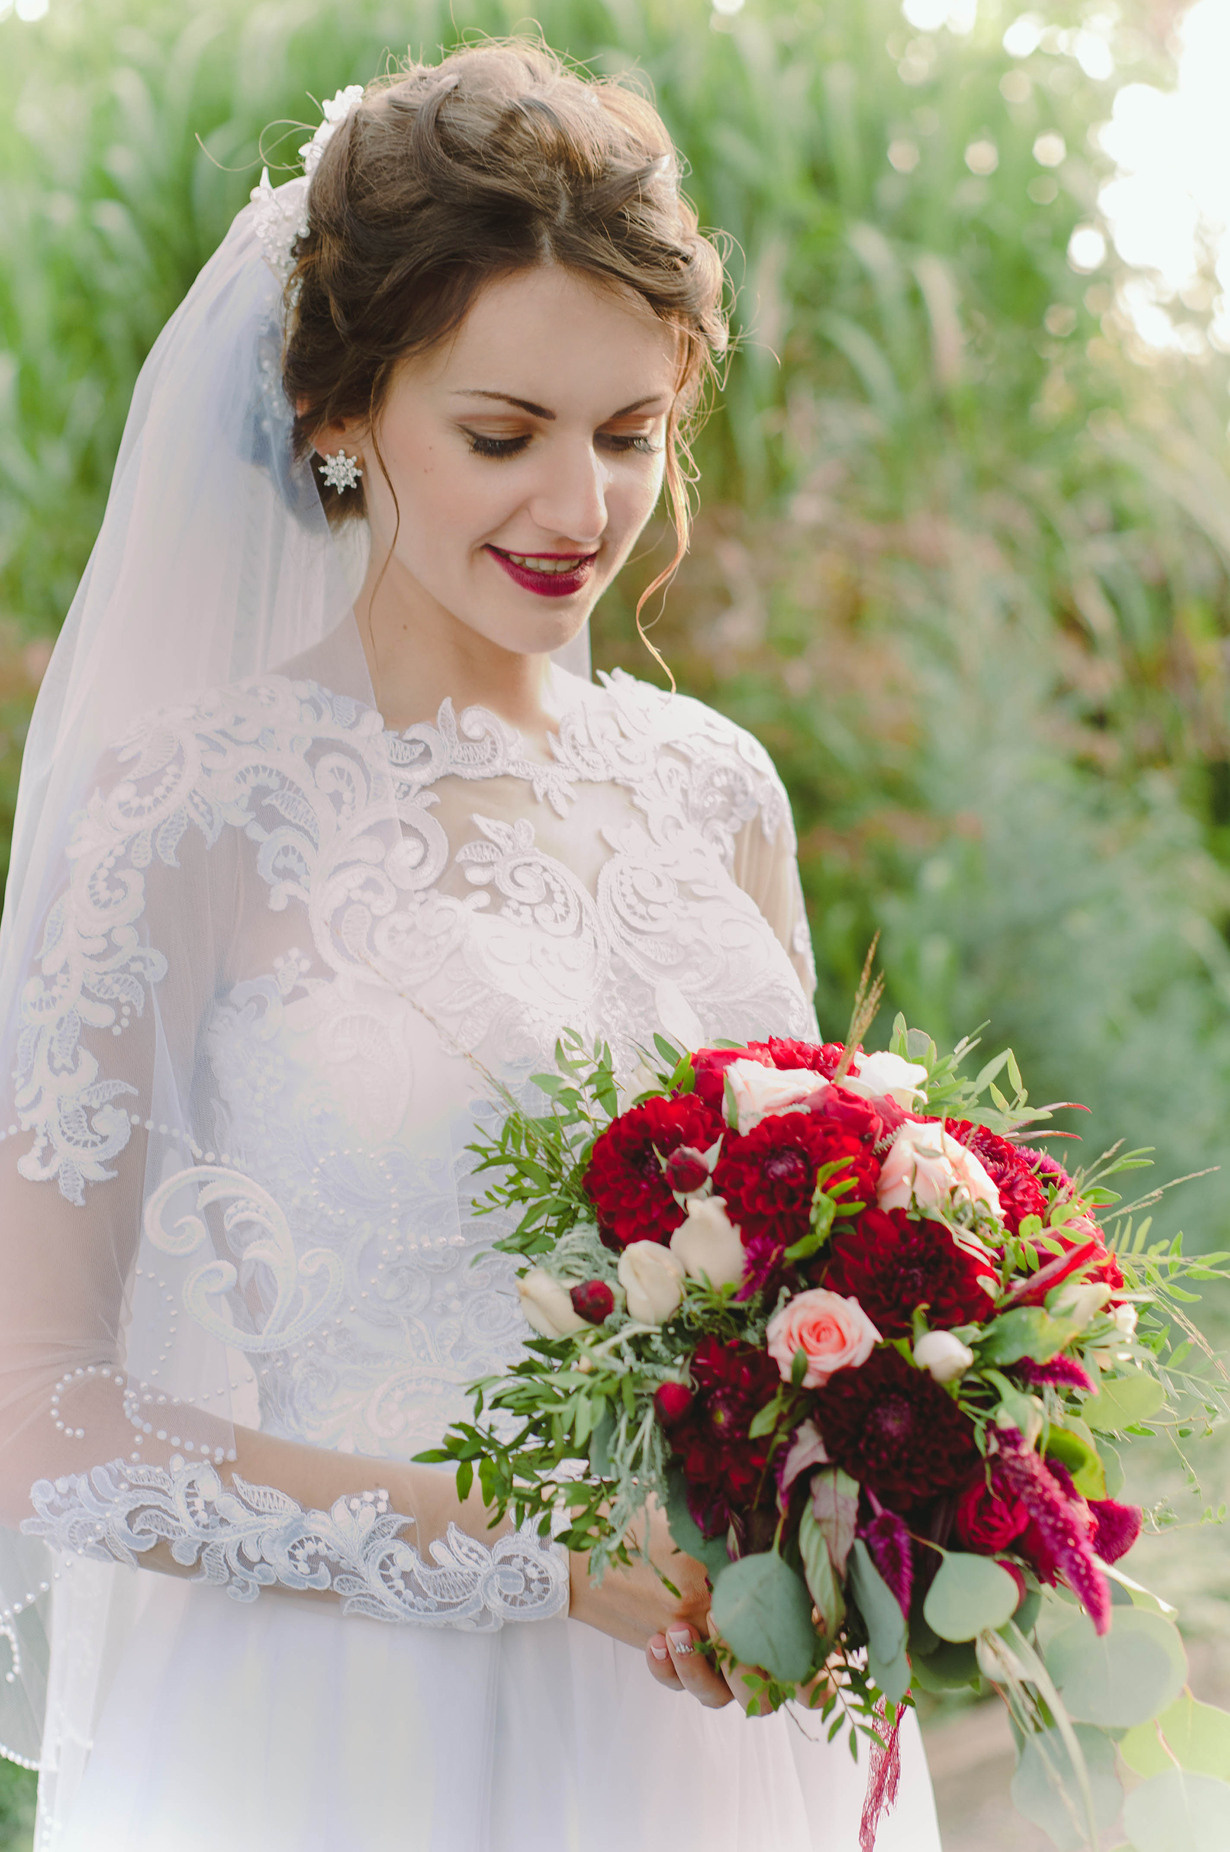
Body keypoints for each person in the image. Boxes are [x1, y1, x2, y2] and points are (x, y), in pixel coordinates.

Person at [0, 41, 942, 1850]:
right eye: (502, 436)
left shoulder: (715, 791)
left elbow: (790, 1280)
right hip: (344, 1743)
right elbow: (43, 1412)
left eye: (629, 434)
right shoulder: (186, 820)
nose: (578, 510)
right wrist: (525, 1555)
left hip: (718, 1731)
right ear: (345, 412)